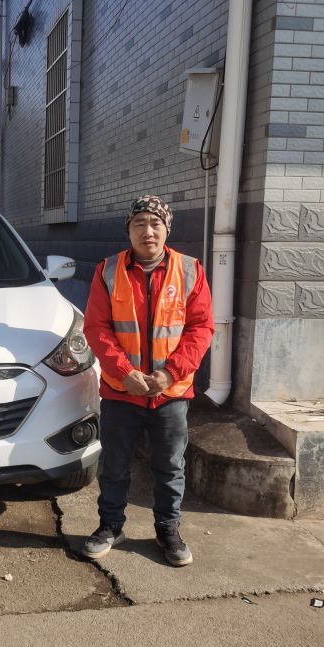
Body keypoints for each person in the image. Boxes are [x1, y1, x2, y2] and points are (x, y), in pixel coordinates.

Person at [82, 195, 214, 566]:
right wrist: (125, 373)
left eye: (155, 223)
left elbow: (201, 328)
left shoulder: (190, 270)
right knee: (114, 465)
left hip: (170, 393)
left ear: (167, 229)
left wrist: (170, 373)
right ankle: (110, 526)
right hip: (121, 392)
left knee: (170, 467)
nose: (148, 231)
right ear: (129, 230)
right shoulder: (108, 271)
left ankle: (167, 530)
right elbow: (96, 327)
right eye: (139, 223)